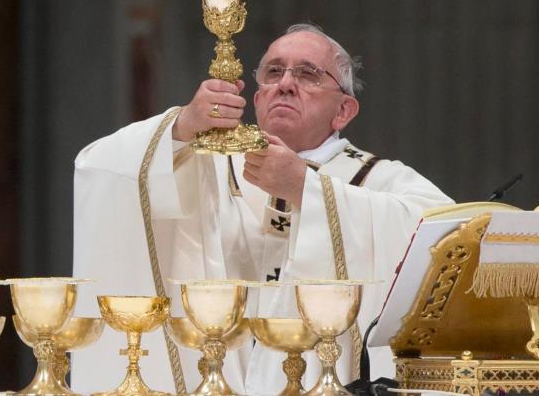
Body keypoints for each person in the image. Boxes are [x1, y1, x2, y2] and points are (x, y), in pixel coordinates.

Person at [72, 23, 452, 395]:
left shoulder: (377, 179)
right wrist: (184, 124)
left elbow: (447, 236)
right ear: (256, 99)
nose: (285, 83)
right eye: (273, 71)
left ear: (344, 111)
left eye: (308, 74)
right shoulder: (206, 167)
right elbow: (98, 169)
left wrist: (307, 189)